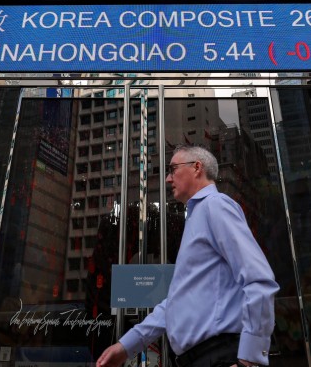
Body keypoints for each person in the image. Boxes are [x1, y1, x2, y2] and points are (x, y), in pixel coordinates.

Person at [96, 145, 278, 367]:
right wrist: (125, 347)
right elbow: (175, 304)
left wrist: (249, 359)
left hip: (219, 355)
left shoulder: (215, 206)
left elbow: (259, 280)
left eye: (173, 169)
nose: (167, 179)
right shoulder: (196, 218)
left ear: (197, 168)